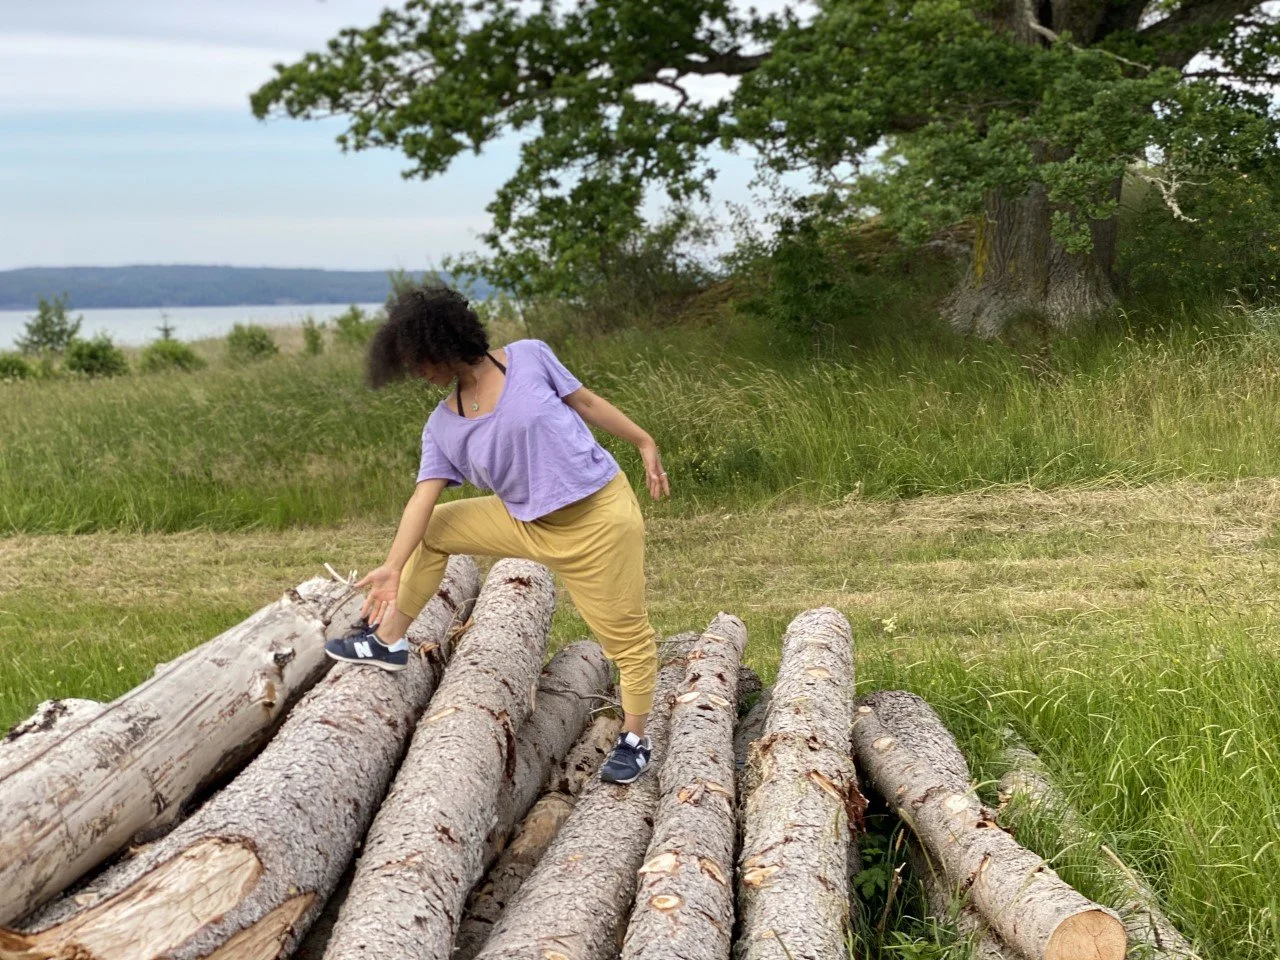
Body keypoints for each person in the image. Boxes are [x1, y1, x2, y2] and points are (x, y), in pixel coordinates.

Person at [324, 285, 669, 785]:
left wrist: (644, 441)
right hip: (526, 522)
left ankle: (636, 740)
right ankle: (390, 641)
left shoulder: (529, 357)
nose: (418, 373)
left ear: (443, 343)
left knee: (626, 639)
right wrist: (392, 567)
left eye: (420, 361)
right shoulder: (443, 425)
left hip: (601, 523)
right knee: (436, 528)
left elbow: (587, 401)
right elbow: (423, 499)